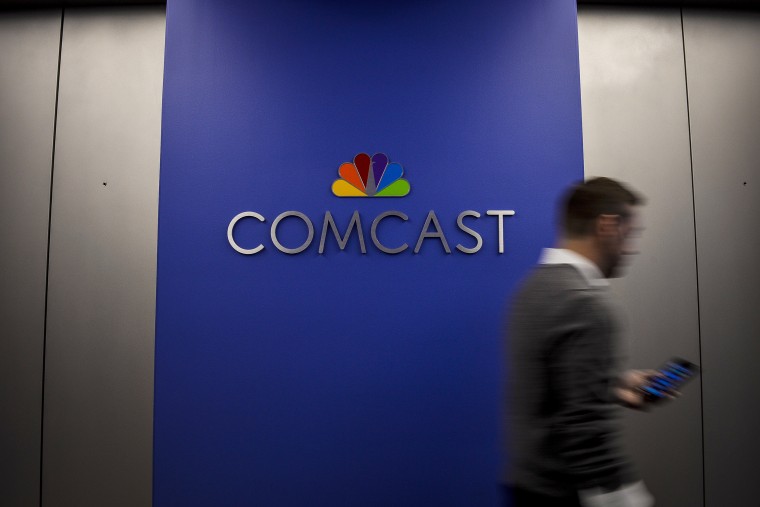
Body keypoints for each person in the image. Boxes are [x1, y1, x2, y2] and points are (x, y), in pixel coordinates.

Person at [505, 177, 658, 507]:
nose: (632, 249)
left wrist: (614, 384)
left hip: (527, 487)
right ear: (608, 226)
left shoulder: (532, 289)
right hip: (564, 494)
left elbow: (551, 388)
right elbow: (588, 436)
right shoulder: (587, 304)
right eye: (630, 235)